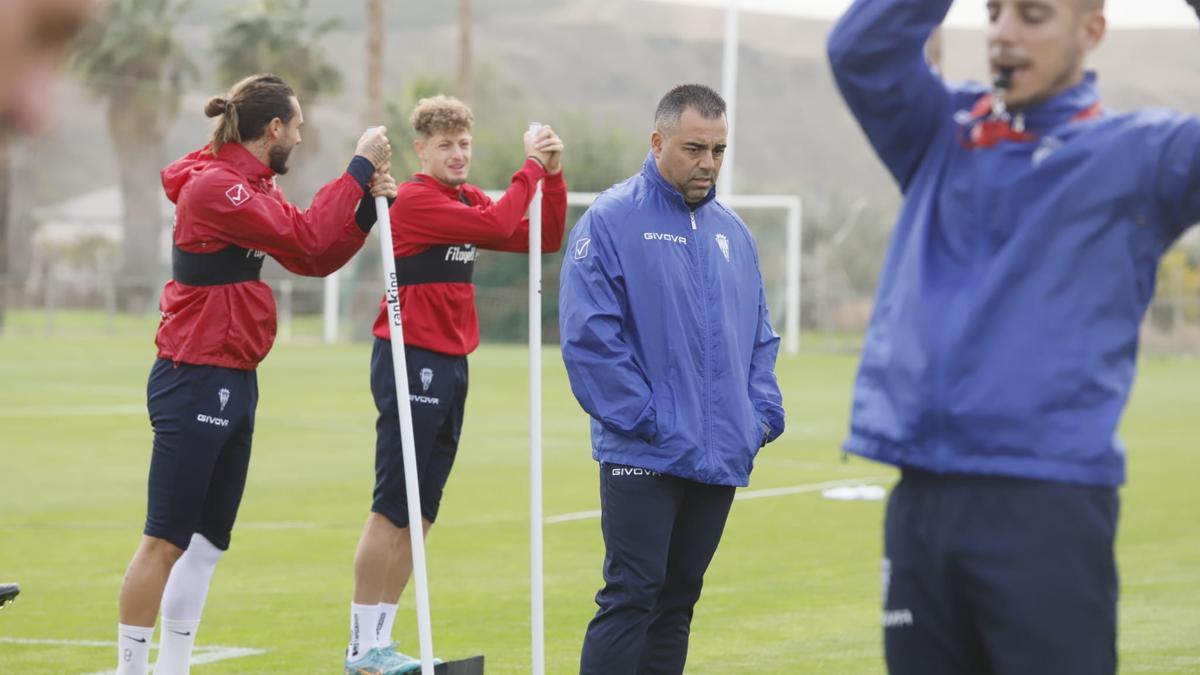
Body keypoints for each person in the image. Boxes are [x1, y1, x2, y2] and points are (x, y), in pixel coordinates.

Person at [827, 1, 1199, 673]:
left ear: (1092, 31)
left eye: (1032, 15)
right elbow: (861, 51)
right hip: (921, 502)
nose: (1002, 33)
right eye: (995, 11)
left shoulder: (1142, 156)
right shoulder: (942, 131)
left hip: (1046, 505)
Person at [115, 73, 395, 675]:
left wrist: (366, 206)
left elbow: (315, 256)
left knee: (208, 544)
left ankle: (174, 666)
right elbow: (307, 234)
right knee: (165, 539)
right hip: (193, 374)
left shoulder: (252, 184)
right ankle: (134, 670)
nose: (299, 136)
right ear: (273, 128)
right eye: (296, 127)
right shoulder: (221, 189)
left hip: (236, 374)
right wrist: (355, 168)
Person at [559, 84, 785, 675]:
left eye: (718, 150)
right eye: (693, 148)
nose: (707, 163)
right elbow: (590, 340)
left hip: (720, 452)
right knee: (631, 596)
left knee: (679, 602)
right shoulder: (611, 220)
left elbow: (759, 337)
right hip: (646, 450)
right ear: (658, 142)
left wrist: (759, 417)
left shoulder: (733, 233)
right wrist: (647, 419)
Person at [343, 94, 566, 675]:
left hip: (451, 361)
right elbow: (499, 221)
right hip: (408, 356)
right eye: (446, 145)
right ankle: (360, 645)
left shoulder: (463, 198)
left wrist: (555, 177)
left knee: (421, 516)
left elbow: (539, 237)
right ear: (422, 150)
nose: (459, 154)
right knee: (393, 505)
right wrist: (529, 169)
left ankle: (382, 644)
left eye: (465, 144)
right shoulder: (416, 199)